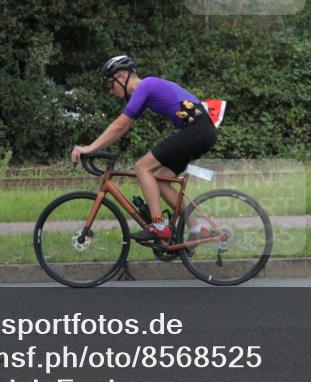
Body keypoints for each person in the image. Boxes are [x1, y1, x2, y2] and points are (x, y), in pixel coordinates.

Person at [70, 55, 217, 242]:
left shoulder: (145, 86)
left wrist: (89, 148)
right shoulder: (145, 91)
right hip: (201, 131)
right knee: (160, 180)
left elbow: (118, 126)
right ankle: (198, 228)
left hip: (197, 130)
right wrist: (93, 147)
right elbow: (120, 129)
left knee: (142, 167)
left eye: (110, 84)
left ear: (122, 76)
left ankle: (159, 226)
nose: (110, 90)